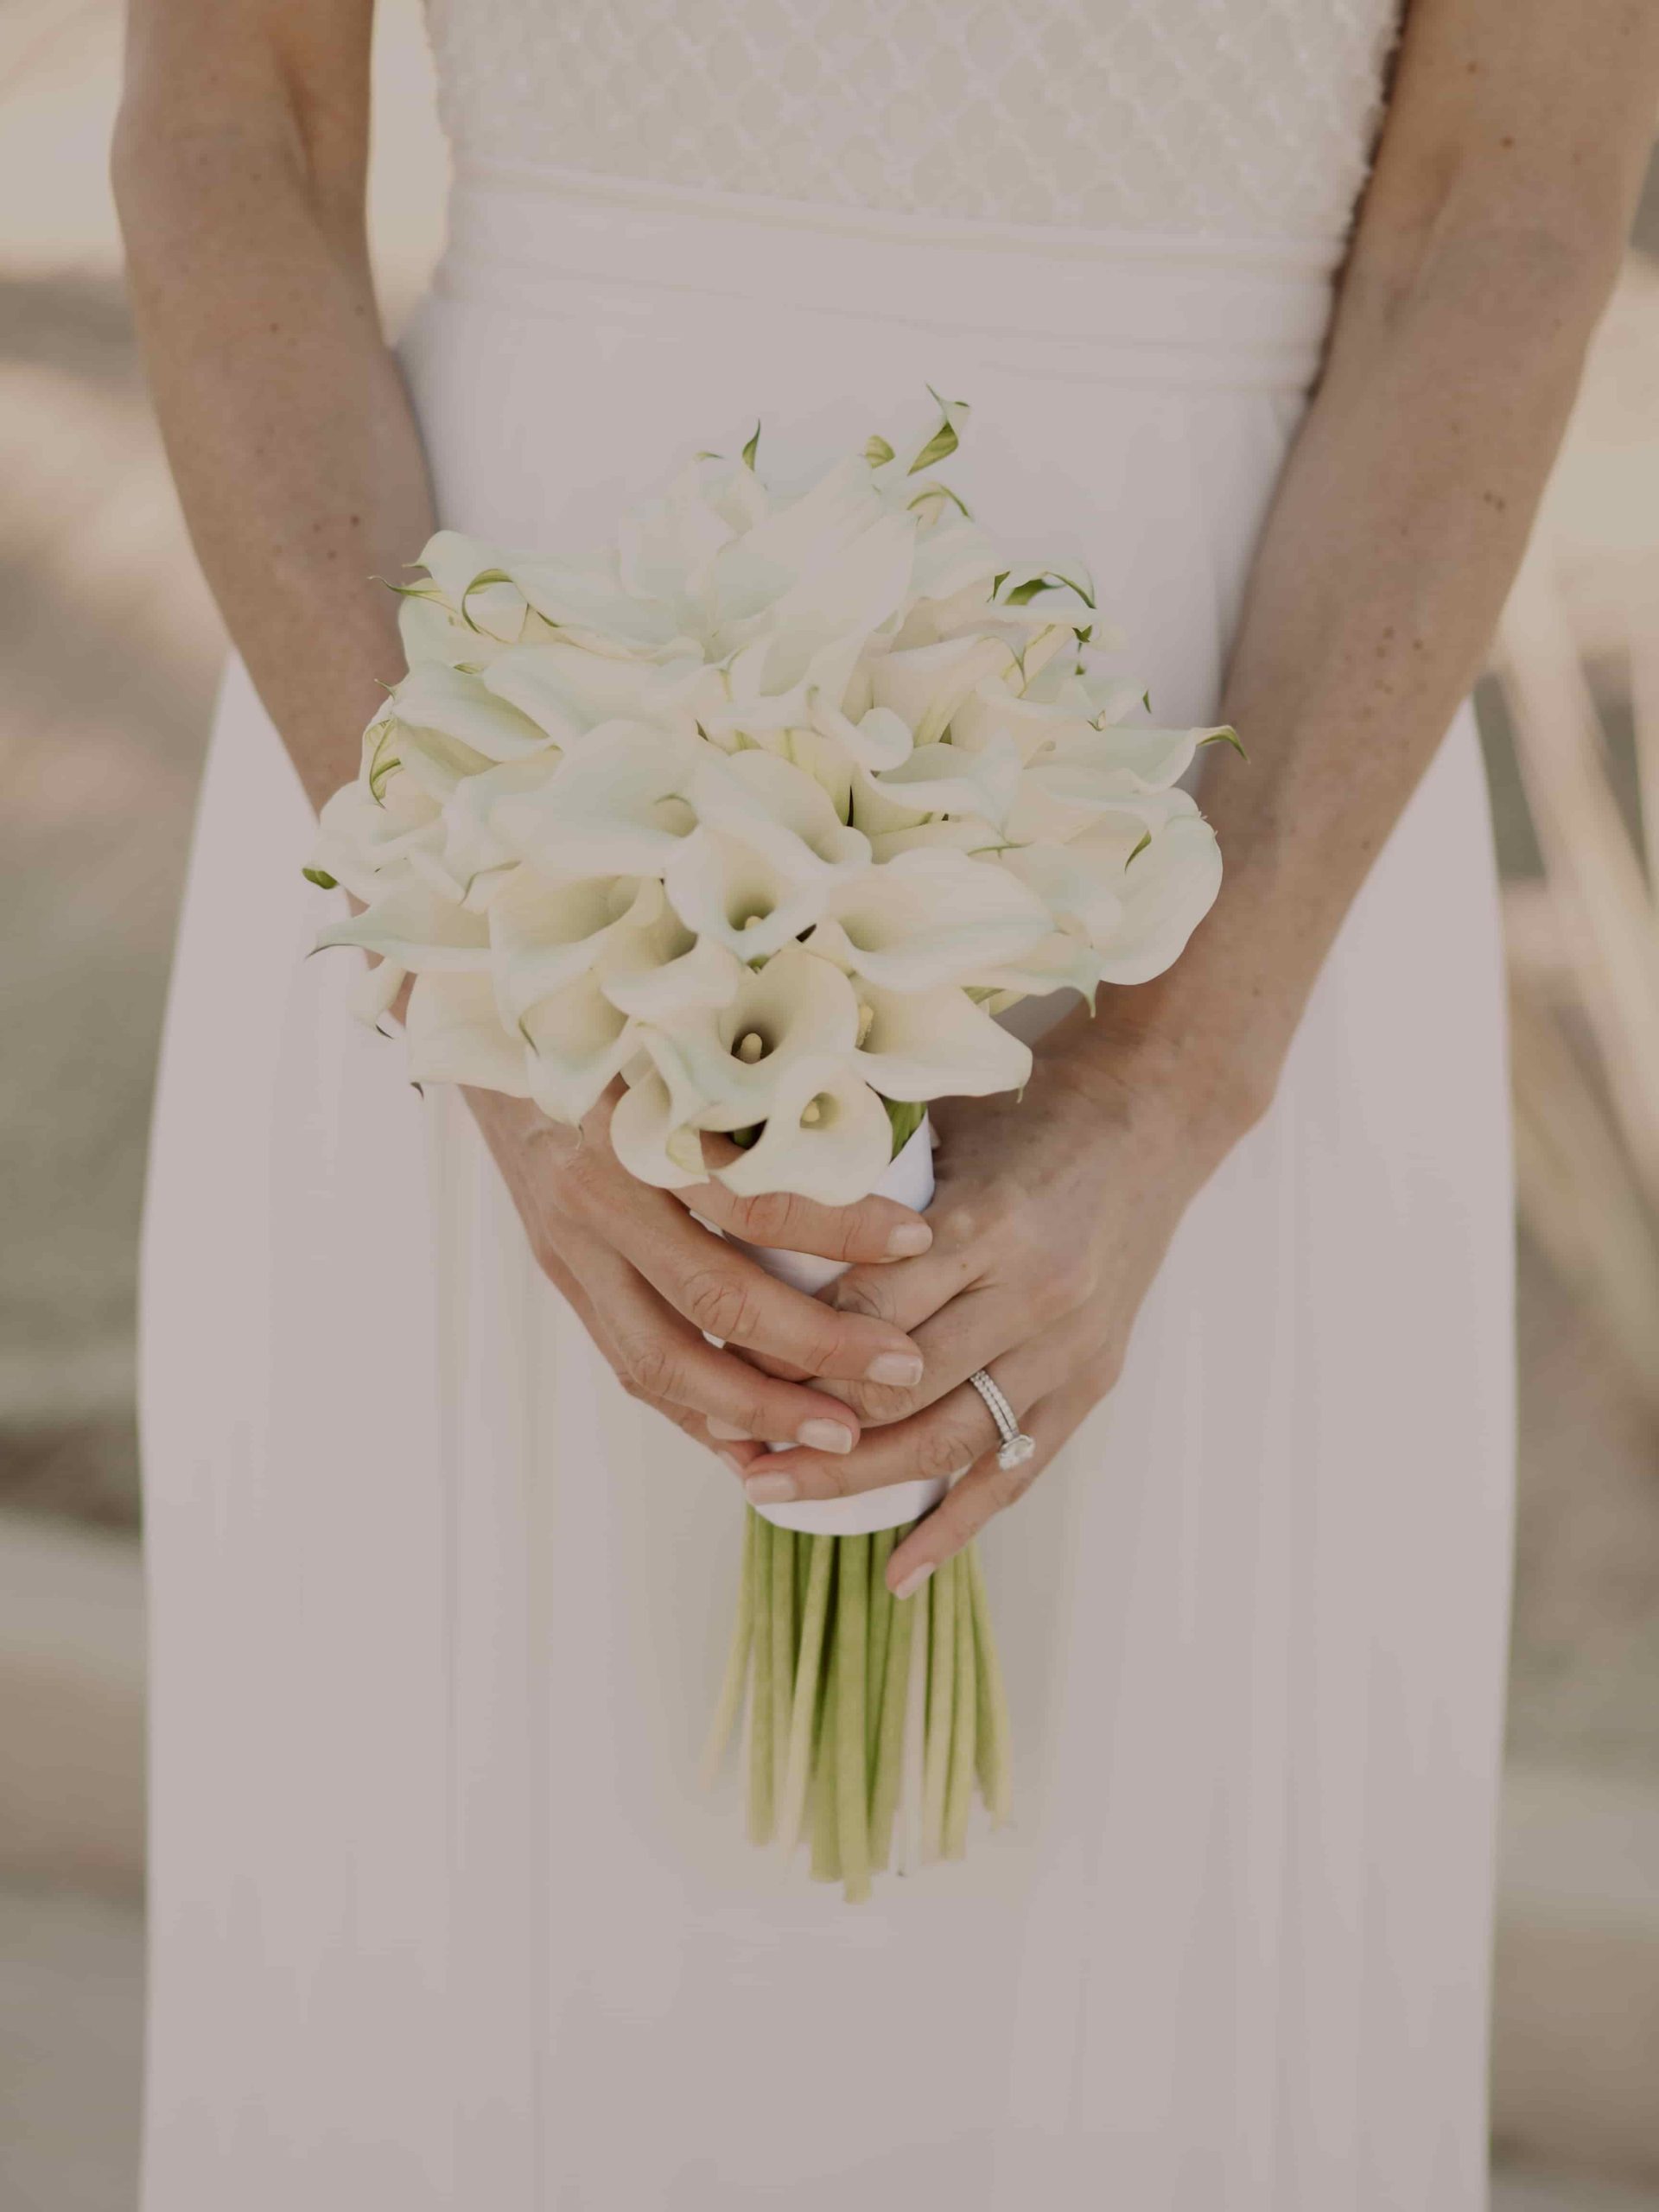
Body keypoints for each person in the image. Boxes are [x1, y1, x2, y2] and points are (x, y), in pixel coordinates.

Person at [116, 2, 1659, 2204]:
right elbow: (229, 128)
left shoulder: (1205, 1022)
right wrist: (474, 956)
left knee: (1137, 1956)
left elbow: (1498, 227)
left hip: (1237, 808)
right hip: (484, 788)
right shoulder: (469, 923)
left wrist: (1175, 1073)